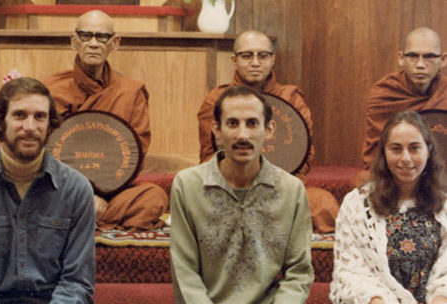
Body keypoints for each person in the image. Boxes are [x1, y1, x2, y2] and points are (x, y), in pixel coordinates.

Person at [0, 77, 95, 303]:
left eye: (40, 117)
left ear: (50, 124)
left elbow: (76, 283)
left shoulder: (76, 189)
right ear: (0, 122)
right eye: (19, 115)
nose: (30, 127)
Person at [171, 85, 314, 304]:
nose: (242, 135)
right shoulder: (188, 186)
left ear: (269, 130)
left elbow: (299, 271)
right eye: (232, 123)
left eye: (252, 123)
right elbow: (184, 271)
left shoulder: (291, 190)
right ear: (216, 129)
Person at [197, 29, 338, 233]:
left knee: (324, 204)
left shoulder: (291, 98)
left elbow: (303, 155)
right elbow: (208, 156)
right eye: (247, 55)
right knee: (196, 199)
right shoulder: (217, 98)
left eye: (263, 55)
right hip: (231, 188)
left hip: (281, 188)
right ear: (234, 60)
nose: (255, 62)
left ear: (272, 60)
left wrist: (278, 187)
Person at [44, 10, 168, 231]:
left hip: (114, 189)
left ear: (115, 43)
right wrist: (84, 194)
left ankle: (84, 218)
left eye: (101, 37)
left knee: (153, 197)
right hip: (63, 187)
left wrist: (103, 194)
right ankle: (94, 215)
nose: (93, 43)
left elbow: (135, 151)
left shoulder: (130, 91)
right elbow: (44, 149)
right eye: (86, 36)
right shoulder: (51, 89)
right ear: (74, 41)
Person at [331, 110, 447, 304]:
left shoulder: (444, 204)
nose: (406, 158)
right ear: (384, 153)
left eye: (414, 148)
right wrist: (376, 300)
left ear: (428, 151)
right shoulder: (357, 205)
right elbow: (350, 273)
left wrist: (441, 298)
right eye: (396, 149)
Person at [359, 27, 446, 176]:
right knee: (362, 179)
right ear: (401, 58)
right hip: (394, 173)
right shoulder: (384, 94)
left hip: (441, 175)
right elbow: (377, 152)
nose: (420, 64)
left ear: (443, 60)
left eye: (429, 57)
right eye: (413, 56)